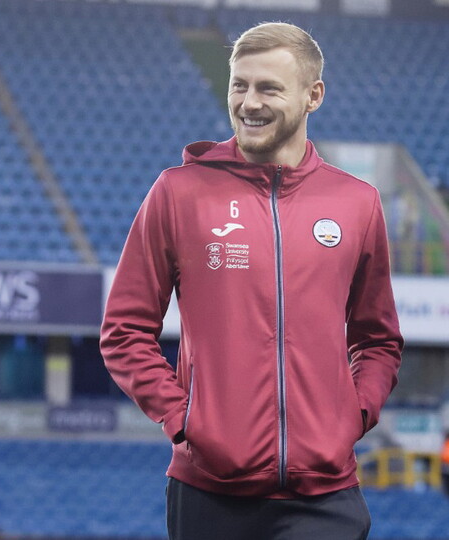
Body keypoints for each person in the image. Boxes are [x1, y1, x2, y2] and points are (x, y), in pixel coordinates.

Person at [100, 22, 402, 540]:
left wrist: (353, 415)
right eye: (239, 85)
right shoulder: (178, 192)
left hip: (325, 492)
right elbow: (124, 331)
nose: (248, 102)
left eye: (269, 88)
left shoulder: (357, 202)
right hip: (209, 490)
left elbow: (377, 339)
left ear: (314, 96)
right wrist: (185, 421)